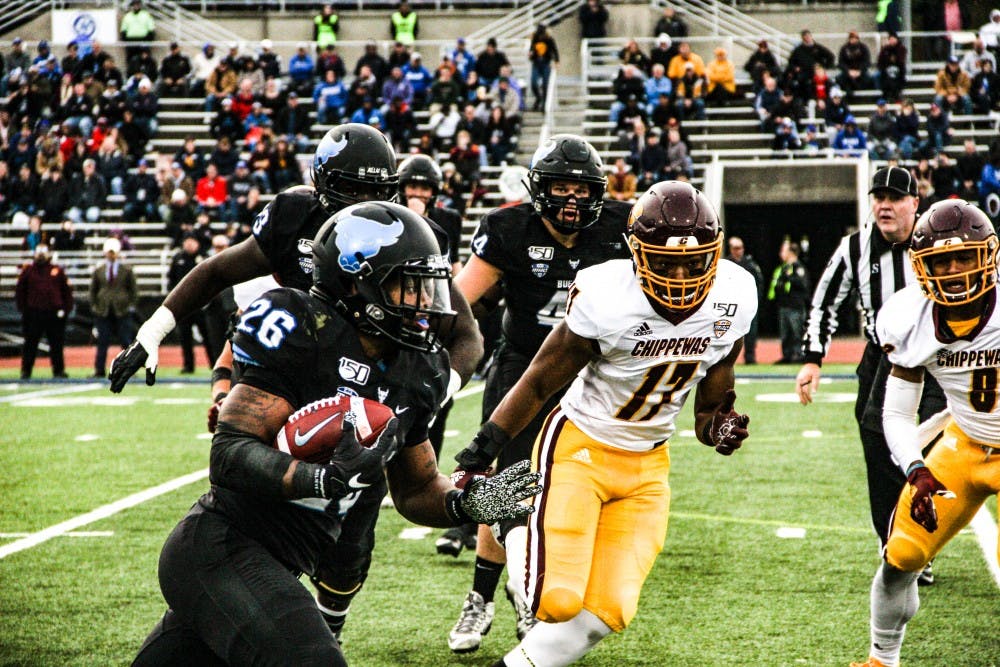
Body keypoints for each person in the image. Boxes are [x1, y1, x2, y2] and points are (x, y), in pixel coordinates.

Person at [109, 124, 484, 641]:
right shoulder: (292, 233)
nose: (369, 203)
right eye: (355, 190)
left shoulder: (408, 241)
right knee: (261, 499)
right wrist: (164, 339)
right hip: (293, 369)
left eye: (380, 191)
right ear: (323, 184)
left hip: (368, 384)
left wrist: (426, 398)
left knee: (350, 545)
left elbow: (463, 333)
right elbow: (225, 280)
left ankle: (328, 623)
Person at [132, 201, 541, 667]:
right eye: (410, 287)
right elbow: (229, 455)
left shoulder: (414, 368)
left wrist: (468, 503)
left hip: (286, 560)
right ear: (355, 283)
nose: (426, 304)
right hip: (221, 545)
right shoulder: (301, 328)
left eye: (428, 287)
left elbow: (417, 488)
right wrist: (321, 478)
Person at [455, 180, 757, 667]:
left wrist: (719, 428)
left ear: (714, 254)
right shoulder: (607, 293)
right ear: (637, 253)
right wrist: (479, 452)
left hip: (647, 469)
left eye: (692, 261)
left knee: (607, 611)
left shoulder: (735, 295)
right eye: (663, 261)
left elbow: (707, 409)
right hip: (580, 451)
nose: (679, 274)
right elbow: (536, 382)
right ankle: (507, 520)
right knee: (553, 601)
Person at [443, 135, 633, 654]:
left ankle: (533, 596)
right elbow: (458, 302)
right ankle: (482, 596)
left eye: (581, 188)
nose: (571, 199)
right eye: (560, 187)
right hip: (523, 367)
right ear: (538, 190)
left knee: (572, 482)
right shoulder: (508, 229)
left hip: (593, 374)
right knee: (504, 480)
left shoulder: (623, 227)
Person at [850, 199, 1000, 667]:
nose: (953, 271)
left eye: (964, 258)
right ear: (921, 267)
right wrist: (915, 468)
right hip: (964, 442)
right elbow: (896, 414)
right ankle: (882, 660)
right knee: (900, 558)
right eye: (941, 261)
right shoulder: (908, 316)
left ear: (989, 255)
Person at [796, 167, 946, 583]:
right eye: (878, 196)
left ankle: (926, 535)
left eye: (895, 197)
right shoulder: (855, 248)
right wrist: (812, 359)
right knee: (875, 436)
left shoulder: (936, 239)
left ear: (915, 203)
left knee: (933, 441)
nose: (884, 205)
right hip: (883, 355)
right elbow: (824, 303)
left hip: (938, 356)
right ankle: (896, 539)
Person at [15, 244, 72, 380]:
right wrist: (24, 310)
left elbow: (67, 292)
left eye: (43, 252)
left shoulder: (57, 270)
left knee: (56, 344)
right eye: (39, 252)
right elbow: (20, 292)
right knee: (30, 344)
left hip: (53, 314)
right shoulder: (28, 271)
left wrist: (65, 310)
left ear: (48, 254)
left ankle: (58, 370)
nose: (41, 255)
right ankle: (26, 370)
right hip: (34, 313)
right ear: (34, 254)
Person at [90, 237, 138, 379]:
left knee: (126, 341)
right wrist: (95, 306)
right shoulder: (99, 270)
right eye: (109, 252)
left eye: (113, 252)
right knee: (102, 342)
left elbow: (134, 290)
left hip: (122, 310)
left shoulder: (127, 270)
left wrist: (130, 306)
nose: (111, 255)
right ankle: (99, 370)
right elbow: (93, 290)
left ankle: (128, 370)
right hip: (103, 310)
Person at [168, 234, 211, 374]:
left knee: (208, 336)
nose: (189, 244)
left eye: (192, 241)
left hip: (201, 304)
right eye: (187, 241)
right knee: (185, 338)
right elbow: (171, 280)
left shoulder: (204, 257)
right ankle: (188, 365)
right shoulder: (178, 258)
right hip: (184, 305)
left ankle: (214, 363)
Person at [768, 240, 810, 364]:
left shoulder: (798, 267)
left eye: (784, 251)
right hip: (784, 305)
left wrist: (789, 278)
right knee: (785, 334)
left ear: (791, 253)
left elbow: (803, 284)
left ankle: (798, 355)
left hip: (795, 306)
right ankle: (787, 355)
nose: (781, 254)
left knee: (796, 332)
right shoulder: (782, 268)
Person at [726, 236, 763, 364]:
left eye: (741, 248)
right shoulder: (726, 265)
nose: (739, 251)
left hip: (747, 303)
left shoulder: (750, 264)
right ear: (731, 249)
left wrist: (756, 300)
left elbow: (759, 283)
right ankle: (727, 359)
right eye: (736, 248)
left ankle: (750, 357)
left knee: (751, 332)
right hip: (730, 304)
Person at [528, 24, 559, 111]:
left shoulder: (549, 39)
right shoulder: (535, 39)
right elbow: (531, 49)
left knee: (546, 84)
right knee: (533, 83)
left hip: (546, 63)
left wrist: (556, 61)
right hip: (536, 63)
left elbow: (555, 50)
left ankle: (544, 103)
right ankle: (538, 97)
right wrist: (531, 54)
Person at [120, 0, 156, 66]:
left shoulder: (146, 15)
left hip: (143, 41)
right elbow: (123, 30)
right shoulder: (127, 16)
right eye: (134, 5)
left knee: (145, 60)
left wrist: (147, 42)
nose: (136, 6)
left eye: (137, 4)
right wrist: (126, 43)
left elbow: (151, 30)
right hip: (131, 42)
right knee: (131, 61)